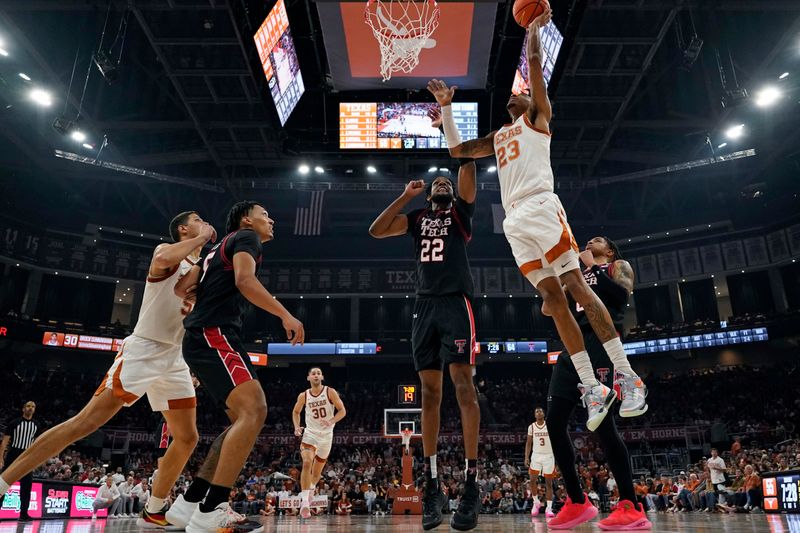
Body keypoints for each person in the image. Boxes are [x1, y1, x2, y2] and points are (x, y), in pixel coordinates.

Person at [433, 7, 647, 431]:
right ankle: (593, 387)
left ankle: (626, 375)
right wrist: (446, 112)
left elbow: (533, 69)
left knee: (576, 288)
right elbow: (458, 153)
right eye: (513, 95)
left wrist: (531, 33)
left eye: (521, 93)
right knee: (554, 300)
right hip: (514, 222)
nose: (514, 95)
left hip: (541, 207)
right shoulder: (498, 136)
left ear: (531, 102)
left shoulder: (536, 118)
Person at [0, 211, 214, 528]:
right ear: (184, 229)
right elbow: (169, 256)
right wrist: (203, 238)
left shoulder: (197, 269)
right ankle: (3, 483)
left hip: (175, 357)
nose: (204, 221)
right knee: (83, 423)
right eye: (197, 219)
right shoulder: (165, 253)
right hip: (145, 349)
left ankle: (154, 510)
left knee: (187, 437)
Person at [167, 201, 305, 533]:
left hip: (202, 335)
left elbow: (183, 289)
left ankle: (190, 503)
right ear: (247, 220)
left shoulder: (217, 249)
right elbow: (245, 280)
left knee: (238, 424)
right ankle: (212, 509)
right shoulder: (246, 237)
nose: (270, 220)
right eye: (265, 215)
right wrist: (285, 314)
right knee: (256, 410)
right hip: (214, 333)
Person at [369, 123, 481, 531]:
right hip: (424, 305)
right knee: (429, 394)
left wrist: (453, 129)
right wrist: (405, 195)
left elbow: (466, 165)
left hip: (456, 302)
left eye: (444, 180)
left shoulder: (461, 213)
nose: (440, 182)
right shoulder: (416, 218)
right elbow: (376, 230)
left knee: (463, 387)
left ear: (451, 190)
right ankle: (433, 485)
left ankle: (470, 484)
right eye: (435, 181)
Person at [543, 236, 651, 530]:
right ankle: (577, 501)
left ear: (610, 250)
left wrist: (594, 267)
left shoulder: (618, 266)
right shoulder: (575, 274)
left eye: (598, 240)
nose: (590, 240)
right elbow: (547, 310)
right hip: (571, 346)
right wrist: (557, 284)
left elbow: (619, 297)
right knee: (553, 422)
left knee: (603, 426)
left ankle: (631, 504)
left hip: (601, 341)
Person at [292, 367, 347, 518]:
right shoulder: (304, 395)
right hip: (310, 434)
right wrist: (297, 427)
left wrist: (331, 421)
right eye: (313, 373)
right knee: (307, 462)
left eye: (318, 373)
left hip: (326, 436)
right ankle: (304, 502)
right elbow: (296, 412)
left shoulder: (330, 392)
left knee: (316, 473)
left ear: (322, 377)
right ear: (308, 378)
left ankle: (310, 490)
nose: (316, 375)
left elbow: (342, 411)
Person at [0, 401, 41, 520]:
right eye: (28, 406)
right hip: (13, 454)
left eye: (33, 407)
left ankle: (24, 514)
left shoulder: (37, 425)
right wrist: (1, 458)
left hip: (27, 456)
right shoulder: (14, 423)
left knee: (27, 486)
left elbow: (37, 444)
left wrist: (36, 460)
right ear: (23, 409)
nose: (30, 408)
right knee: (3, 484)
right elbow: (4, 442)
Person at [524, 407, 555, 518]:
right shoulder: (531, 427)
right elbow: (528, 443)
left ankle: (549, 508)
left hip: (548, 455)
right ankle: (536, 502)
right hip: (536, 455)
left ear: (544, 414)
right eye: (536, 411)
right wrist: (526, 457)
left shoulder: (549, 425)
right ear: (534, 415)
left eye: (540, 411)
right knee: (532, 481)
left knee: (549, 483)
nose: (539, 412)